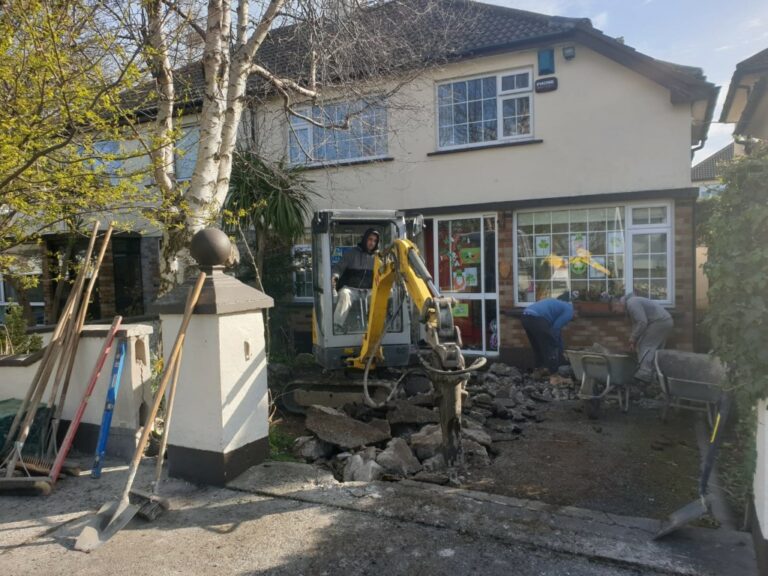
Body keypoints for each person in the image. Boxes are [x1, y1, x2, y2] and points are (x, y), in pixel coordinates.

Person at [332, 228, 380, 331]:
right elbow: (338, 267)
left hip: (369, 290)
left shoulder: (378, 257)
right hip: (351, 289)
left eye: (375, 241)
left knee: (381, 296)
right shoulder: (352, 253)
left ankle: (374, 327)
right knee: (345, 294)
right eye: (370, 239)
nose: (372, 243)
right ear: (365, 239)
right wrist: (335, 276)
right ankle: (336, 326)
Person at [621, 293, 673, 384]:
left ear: (618, 304)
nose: (616, 312)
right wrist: (633, 341)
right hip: (665, 321)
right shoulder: (634, 302)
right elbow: (637, 324)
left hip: (659, 322)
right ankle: (655, 376)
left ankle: (645, 373)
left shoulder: (632, 303)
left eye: (614, 309)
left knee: (645, 346)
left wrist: (633, 338)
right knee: (655, 350)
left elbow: (642, 322)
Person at [521, 294, 575, 374]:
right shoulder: (569, 310)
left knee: (538, 346)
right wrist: (557, 347)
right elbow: (555, 329)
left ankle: (539, 370)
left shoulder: (557, 305)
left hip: (525, 316)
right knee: (550, 346)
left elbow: (557, 331)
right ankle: (554, 374)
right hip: (537, 318)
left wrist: (561, 348)